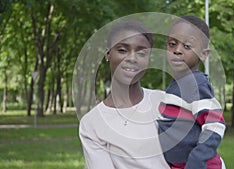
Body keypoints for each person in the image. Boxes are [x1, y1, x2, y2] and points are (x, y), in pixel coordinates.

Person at [79, 20, 170, 169]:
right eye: (122, 50)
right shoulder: (92, 124)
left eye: (141, 53)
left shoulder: (165, 102)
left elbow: (201, 154)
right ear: (108, 54)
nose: (132, 58)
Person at [157, 16, 226, 169]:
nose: (177, 50)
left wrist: (197, 159)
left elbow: (215, 124)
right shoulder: (177, 85)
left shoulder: (195, 84)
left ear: (203, 54)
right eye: (172, 44)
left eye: (187, 46)